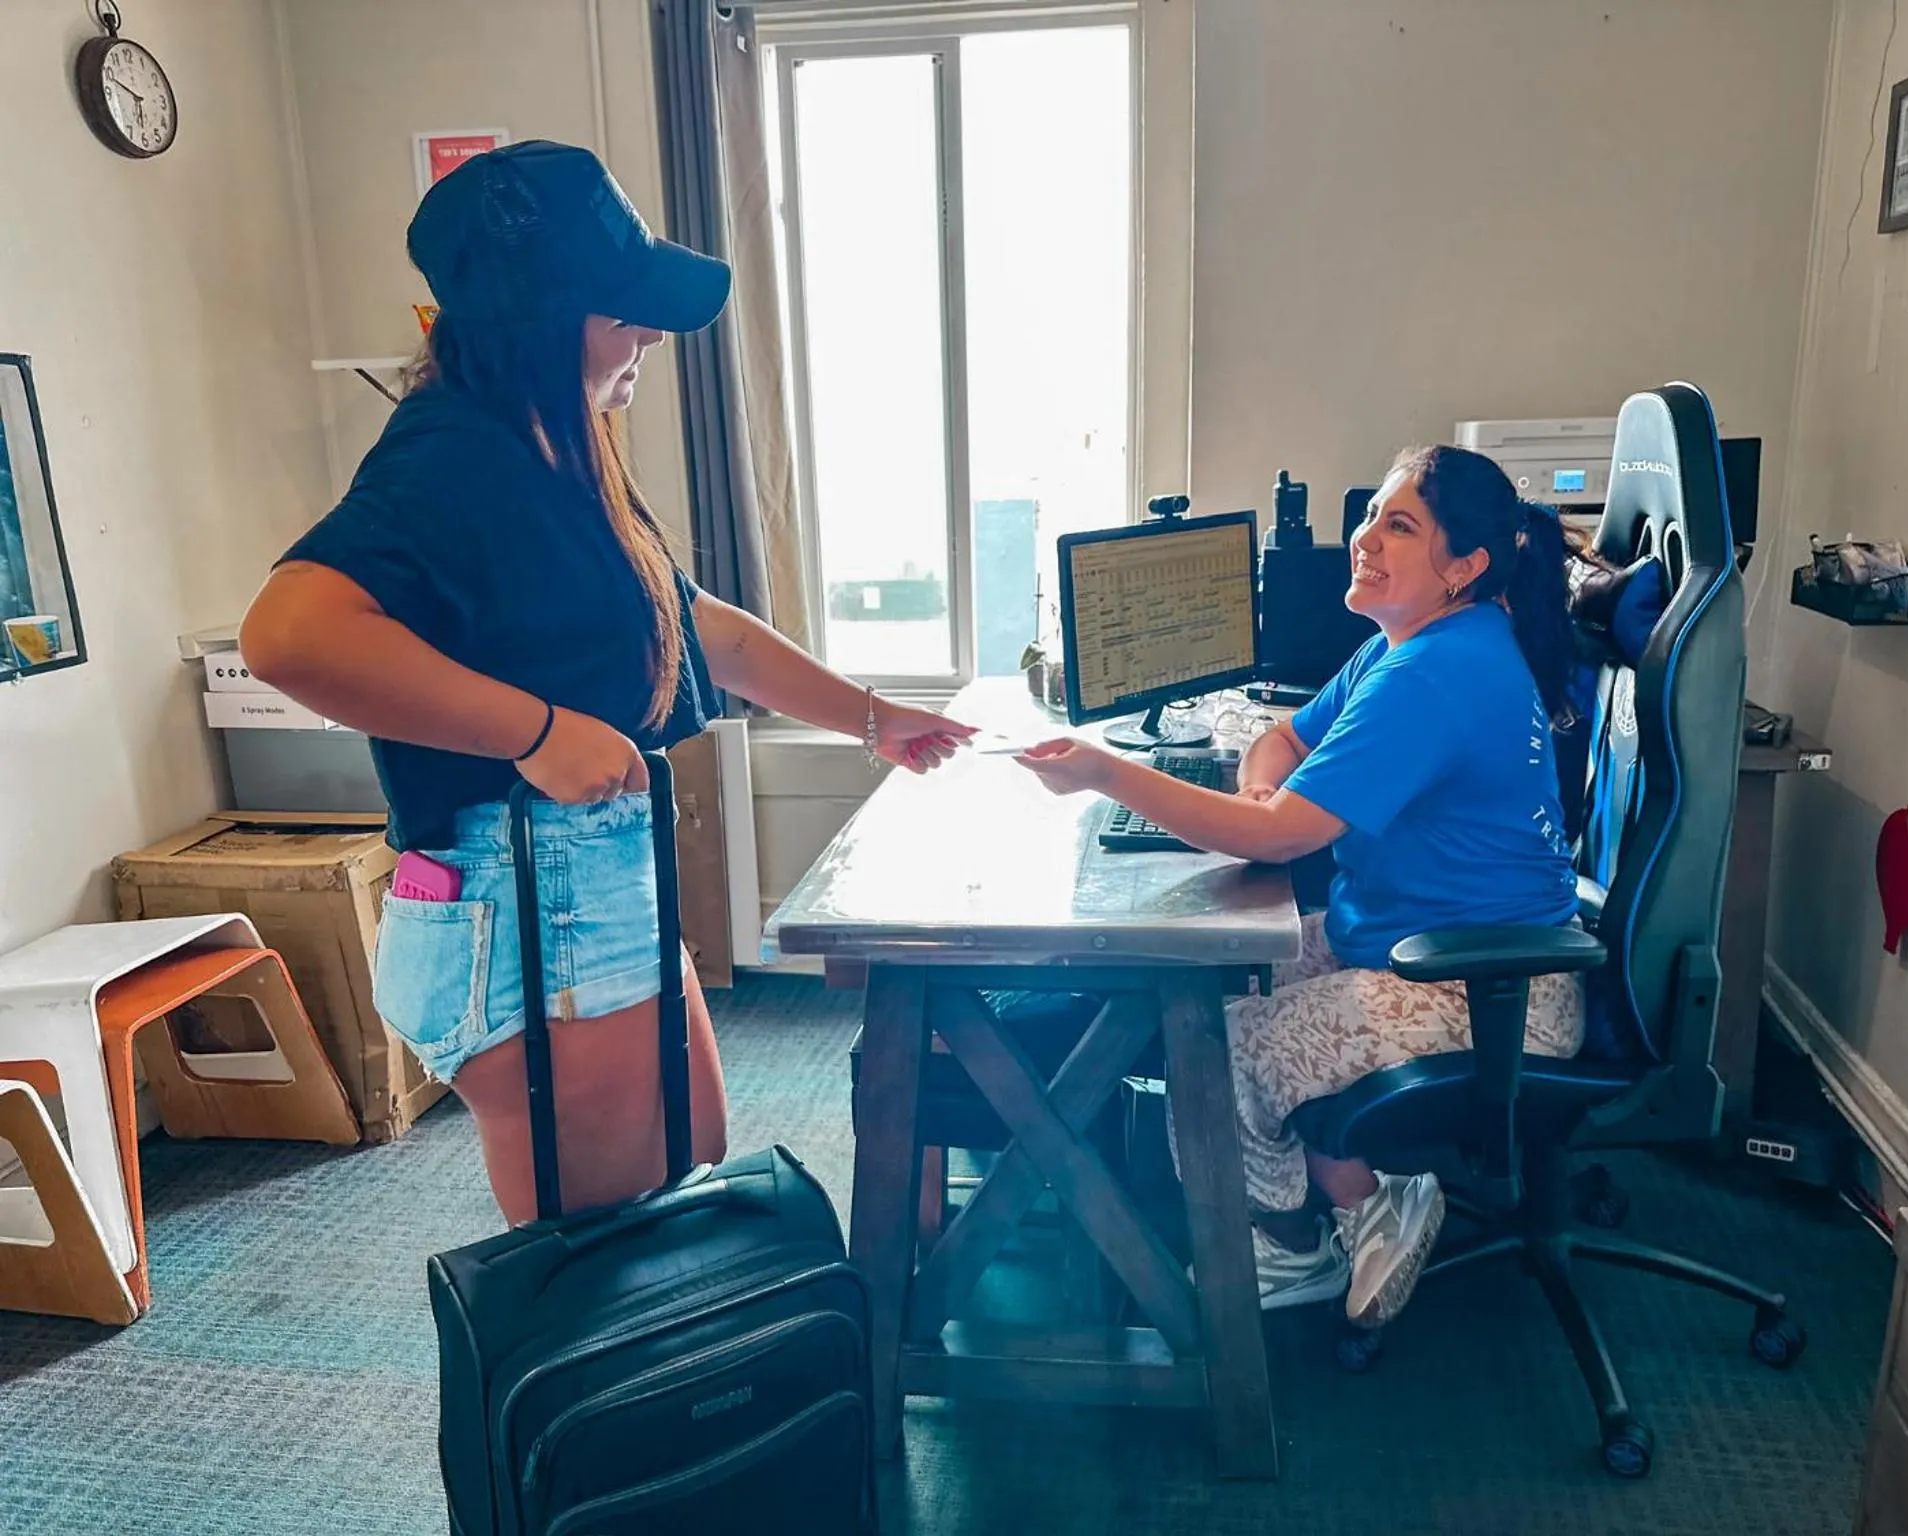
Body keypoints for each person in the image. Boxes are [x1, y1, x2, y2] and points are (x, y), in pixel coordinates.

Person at [240, 141, 972, 1225]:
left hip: (580, 884)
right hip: (528, 887)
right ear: (540, 322)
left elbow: (694, 626)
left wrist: (868, 718)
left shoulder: (556, 448)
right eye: (623, 314)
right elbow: (289, 634)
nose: (648, 338)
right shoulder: (453, 452)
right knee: (613, 1248)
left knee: (687, 1179)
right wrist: (532, 730)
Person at [1015, 444, 1583, 1324]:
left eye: (1401, 526)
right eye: (1372, 517)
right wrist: (1256, 788)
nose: (1366, 539)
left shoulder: (1436, 674)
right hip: (1418, 943)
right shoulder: (1410, 646)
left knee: (1221, 1054)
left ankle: (1298, 1244)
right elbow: (1282, 741)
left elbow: (1279, 838)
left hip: (1491, 983)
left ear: (1463, 567)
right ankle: (1361, 1197)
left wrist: (1105, 772)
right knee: (1214, 994)